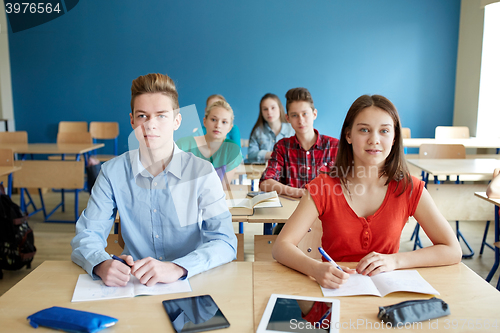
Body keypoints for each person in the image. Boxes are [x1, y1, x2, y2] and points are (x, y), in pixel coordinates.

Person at [272, 94, 462, 289]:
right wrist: (316, 269)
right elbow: (281, 246)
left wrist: (395, 261)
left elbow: (453, 250)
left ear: (394, 137)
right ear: (348, 135)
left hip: (387, 297)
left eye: (384, 131)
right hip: (335, 292)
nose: (374, 140)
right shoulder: (323, 186)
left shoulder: (409, 188)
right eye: (364, 130)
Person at [71, 73, 237, 287]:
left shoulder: (202, 172)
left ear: (177, 121)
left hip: (191, 281)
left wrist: (178, 268)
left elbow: (224, 241)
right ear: (132, 120)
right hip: (133, 285)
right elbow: (87, 235)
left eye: (161, 115)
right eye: (142, 116)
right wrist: (101, 264)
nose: (150, 125)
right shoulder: (112, 172)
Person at [259, 87, 339, 198]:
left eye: (305, 114)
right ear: (288, 118)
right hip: (292, 211)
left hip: (326, 211)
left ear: (314, 114)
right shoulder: (282, 147)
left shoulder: (335, 146)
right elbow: (265, 182)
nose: (301, 120)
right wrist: (299, 193)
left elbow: (348, 184)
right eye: (294, 115)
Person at [176, 100, 243, 190]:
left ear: (229, 128)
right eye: (213, 119)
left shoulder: (233, 151)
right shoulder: (183, 145)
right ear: (205, 122)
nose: (218, 125)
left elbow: (221, 190)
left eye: (224, 122)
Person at [247, 93, 295, 163]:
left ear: (280, 108)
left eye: (273, 108)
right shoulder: (258, 132)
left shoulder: (292, 129)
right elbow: (251, 156)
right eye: (265, 109)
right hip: (262, 172)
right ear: (261, 112)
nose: (269, 112)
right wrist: (271, 154)